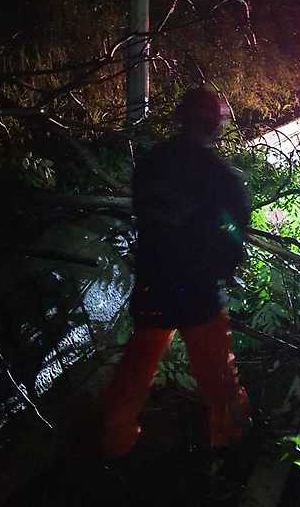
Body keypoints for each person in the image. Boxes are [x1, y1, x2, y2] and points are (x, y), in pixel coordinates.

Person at [100, 87, 251, 457]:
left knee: (135, 371)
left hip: (154, 283)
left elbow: (143, 214)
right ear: (215, 124)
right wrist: (221, 266)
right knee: (218, 378)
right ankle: (228, 446)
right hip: (199, 292)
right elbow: (235, 237)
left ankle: (110, 445)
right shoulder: (221, 176)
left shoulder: (152, 163)